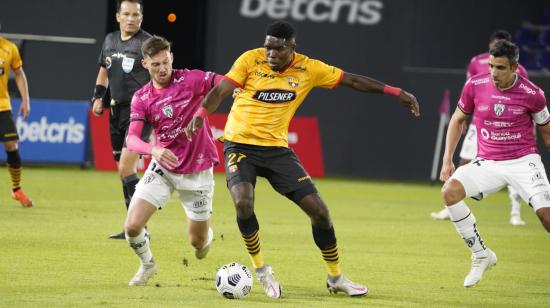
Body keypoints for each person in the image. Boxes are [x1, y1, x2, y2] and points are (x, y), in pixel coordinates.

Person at [186, 21, 420, 298]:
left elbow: (352, 80)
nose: (270, 54)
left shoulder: (309, 69)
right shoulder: (250, 60)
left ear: (292, 49)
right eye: (268, 47)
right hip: (240, 145)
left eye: (278, 49)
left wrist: (397, 92)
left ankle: (336, 277)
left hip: (276, 150)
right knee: (243, 202)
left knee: (320, 212)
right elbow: (220, 91)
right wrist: (201, 114)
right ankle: (261, 270)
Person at [439, 40, 550, 288]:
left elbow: (547, 133)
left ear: (514, 67)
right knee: (450, 192)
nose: (493, 73)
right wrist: (447, 160)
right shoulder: (474, 85)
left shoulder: (534, 94)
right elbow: (457, 120)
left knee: (547, 219)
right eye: (490, 66)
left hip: (523, 161)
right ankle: (481, 255)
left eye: (500, 68)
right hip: (488, 162)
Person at [123, 35, 220, 286]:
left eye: (165, 62)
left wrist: (234, 87)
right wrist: (152, 150)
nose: (162, 69)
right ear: (145, 64)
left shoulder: (189, 80)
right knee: (132, 226)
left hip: (197, 171)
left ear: (171, 57)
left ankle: (205, 235)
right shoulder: (142, 98)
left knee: (197, 245)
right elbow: (132, 140)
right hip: (164, 168)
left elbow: (221, 84)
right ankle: (147, 265)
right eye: (155, 64)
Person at [431, 30, 529, 226]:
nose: (495, 71)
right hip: (479, 123)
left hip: (508, 130)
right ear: (490, 45)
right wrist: (463, 115)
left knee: (515, 169)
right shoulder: (476, 61)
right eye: (495, 44)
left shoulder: (521, 70)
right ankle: (451, 204)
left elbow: (527, 101)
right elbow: (469, 89)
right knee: (465, 162)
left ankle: (515, 212)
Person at [91, 0, 153, 239]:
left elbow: (161, 74)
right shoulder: (109, 40)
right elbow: (104, 70)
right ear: (117, 16)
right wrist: (98, 97)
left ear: (141, 17)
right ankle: (134, 226)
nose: (131, 19)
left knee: (126, 167)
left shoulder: (147, 43)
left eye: (135, 15)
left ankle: (139, 228)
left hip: (139, 113)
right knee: (122, 170)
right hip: (116, 112)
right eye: (126, 14)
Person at [0, 31, 32, 207]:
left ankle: (16, 189)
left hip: (2, 105)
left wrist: (25, 100)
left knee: (11, 144)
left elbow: (19, 74)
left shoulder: (9, 48)